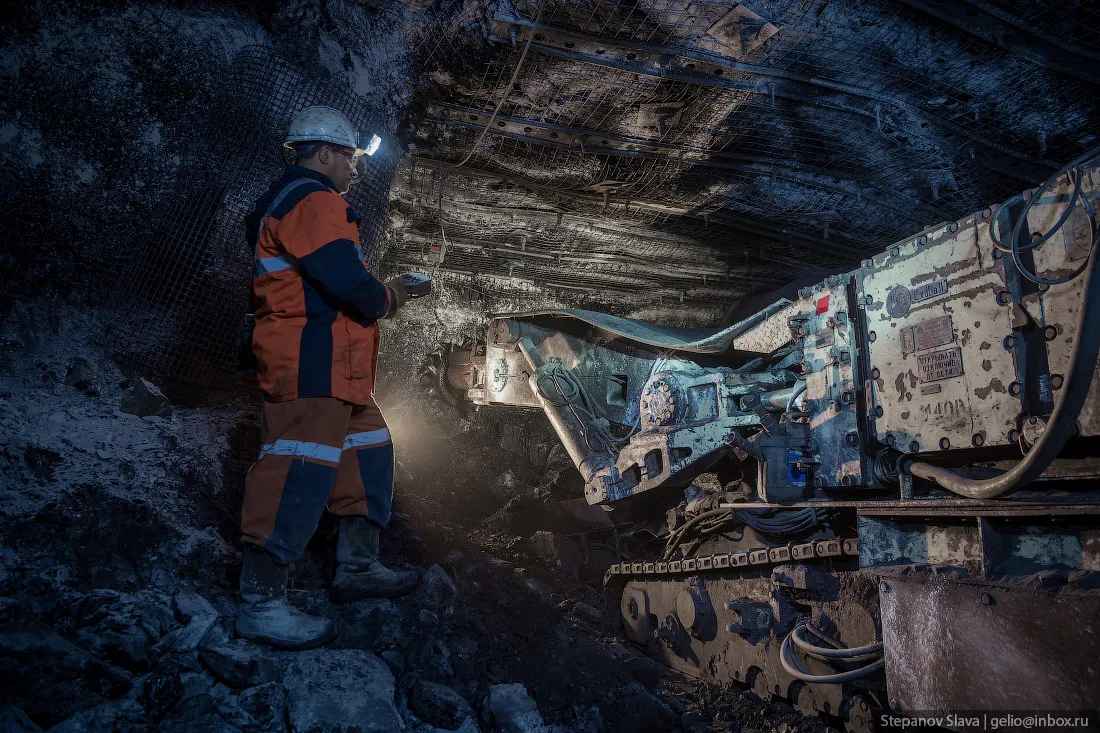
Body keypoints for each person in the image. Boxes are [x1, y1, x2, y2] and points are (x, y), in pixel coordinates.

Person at [236, 106, 417, 650]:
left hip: (337, 370)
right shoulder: (312, 201)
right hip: (309, 364)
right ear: (323, 153)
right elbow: (349, 284)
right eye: (348, 158)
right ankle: (260, 603)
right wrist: (393, 294)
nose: (355, 169)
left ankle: (358, 567)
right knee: (296, 468)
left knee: (369, 450)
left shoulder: (296, 201)